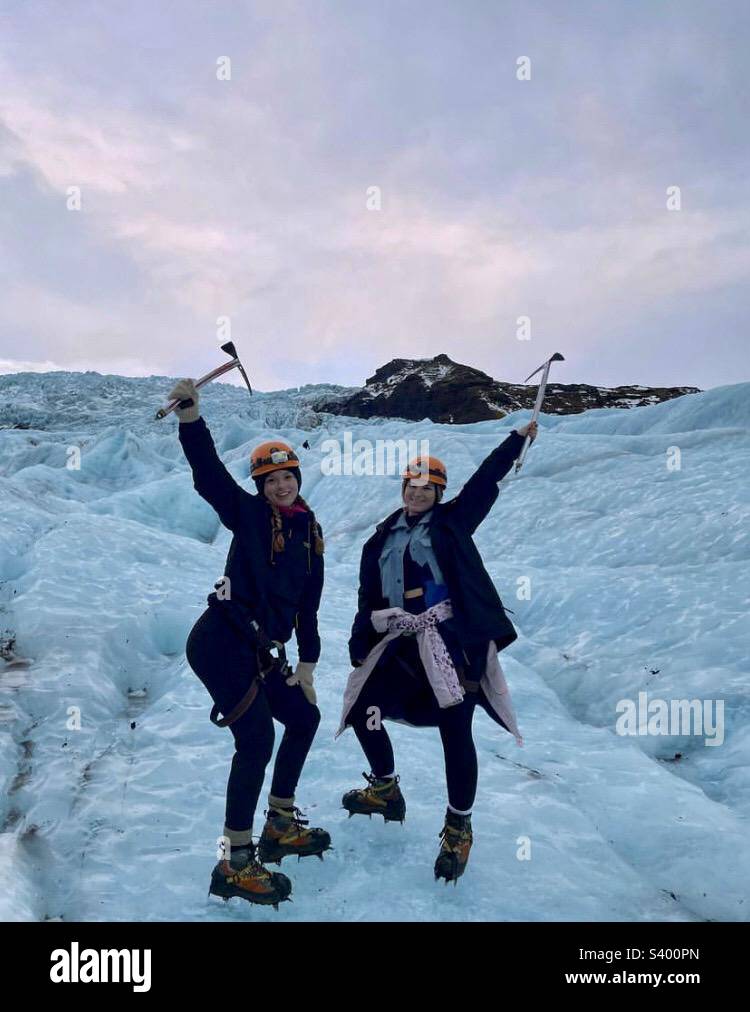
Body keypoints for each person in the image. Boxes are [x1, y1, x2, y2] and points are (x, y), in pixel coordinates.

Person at [337, 420, 538, 884]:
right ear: (404, 488)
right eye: (413, 485)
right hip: (398, 641)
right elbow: (368, 596)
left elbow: (484, 482)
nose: (419, 493)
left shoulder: (453, 523)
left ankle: (458, 826)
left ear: (439, 493)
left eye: (429, 488)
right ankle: (385, 788)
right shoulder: (379, 539)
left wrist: (515, 440)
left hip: (448, 643)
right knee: (365, 709)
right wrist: (359, 640)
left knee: (455, 728)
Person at [170, 378, 330, 909]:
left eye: (288, 476)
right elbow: (209, 475)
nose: (281, 486)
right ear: (260, 486)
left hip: (262, 652)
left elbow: (308, 606)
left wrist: (306, 665)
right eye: (271, 479)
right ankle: (235, 862)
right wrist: (192, 419)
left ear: (298, 478)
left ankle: (280, 825)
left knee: (304, 719)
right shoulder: (249, 517)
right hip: (220, 642)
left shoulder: (309, 533)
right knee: (256, 741)